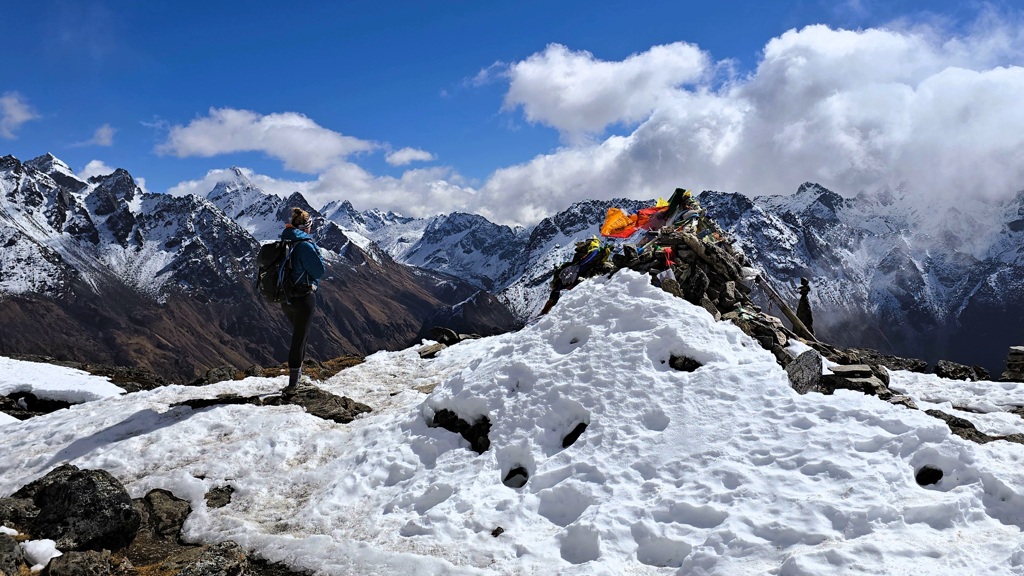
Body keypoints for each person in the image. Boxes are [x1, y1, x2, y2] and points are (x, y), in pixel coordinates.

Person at [280, 207, 326, 394]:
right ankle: (293, 382)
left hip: (286, 296)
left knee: (299, 335)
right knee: (300, 337)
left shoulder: (285, 240)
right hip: (303, 296)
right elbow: (319, 270)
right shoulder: (304, 245)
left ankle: (296, 376)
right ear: (306, 226)